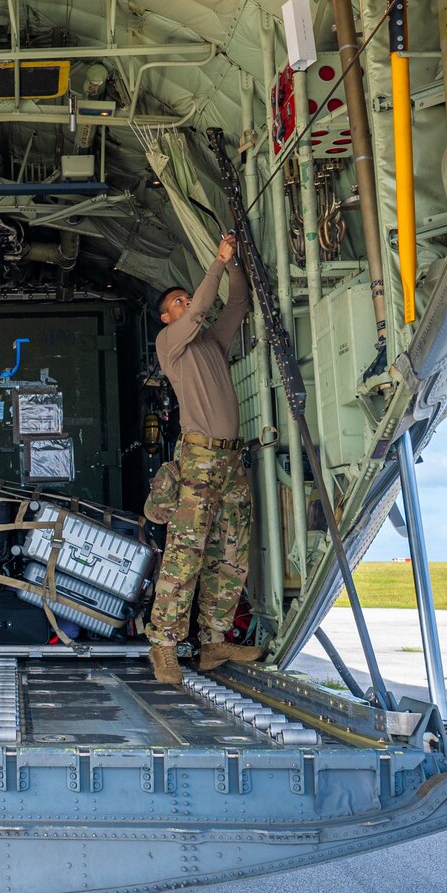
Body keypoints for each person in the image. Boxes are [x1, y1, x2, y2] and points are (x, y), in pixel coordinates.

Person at [146, 232, 264, 685]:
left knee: (230, 551)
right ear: (165, 316)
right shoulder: (170, 342)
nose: (186, 303)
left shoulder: (212, 343)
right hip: (197, 460)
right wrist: (217, 260)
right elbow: (199, 308)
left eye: (185, 298)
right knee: (185, 552)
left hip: (230, 461)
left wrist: (234, 265)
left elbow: (236, 303)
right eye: (177, 300)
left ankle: (214, 640)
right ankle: (164, 645)